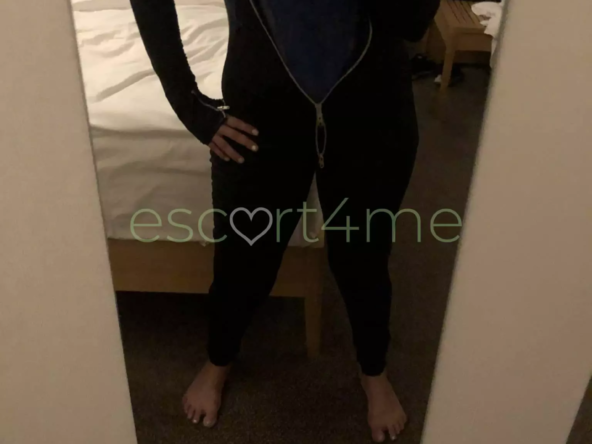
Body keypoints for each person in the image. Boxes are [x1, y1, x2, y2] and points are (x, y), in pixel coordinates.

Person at [130, 0, 439, 441]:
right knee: (242, 257)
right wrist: (189, 104)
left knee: (364, 256)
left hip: (374, 111)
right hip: (261, 108)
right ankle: (219, 358)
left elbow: (413, 20)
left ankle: (374, 369)